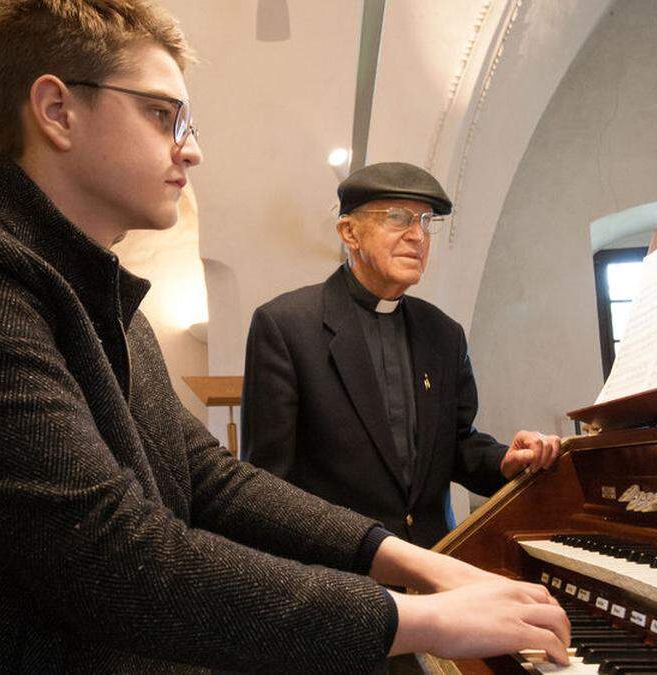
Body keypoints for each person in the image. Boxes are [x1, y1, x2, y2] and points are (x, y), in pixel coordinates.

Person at [0, 1, 570, 672]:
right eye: (164, 115)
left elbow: (210, 479)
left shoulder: (105, 304)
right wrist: (421, 616)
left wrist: (409, 561)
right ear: (56, 109)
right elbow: (113, 559)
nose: (190, 149)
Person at [241, 162, 563, 549]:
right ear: (349, 232)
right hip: (341, 573)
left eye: (426, 222)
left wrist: (504, 461)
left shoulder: (444, 334)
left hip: (437, 561)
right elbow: (268, 486)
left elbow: (456, 444)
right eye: (398, 218)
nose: (418, 236)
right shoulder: (285, 326)